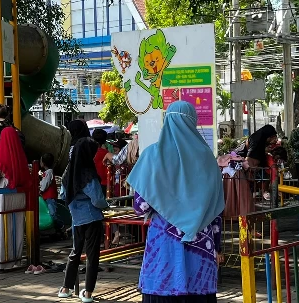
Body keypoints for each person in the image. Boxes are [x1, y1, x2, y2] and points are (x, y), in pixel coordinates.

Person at [127, 101, 224, 303]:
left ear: (167, 121)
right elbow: (217, 213)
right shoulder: (208, 159)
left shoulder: (153, 155)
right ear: (193, 123)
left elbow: (140, 206)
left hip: (164, 249)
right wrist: (217, 247)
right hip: (201, 250)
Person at [58, 137, 109, 303]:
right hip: (92, 218)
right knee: (92, 257)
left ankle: (65, 288)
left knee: (75, 252)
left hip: (76, 218)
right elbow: (98, 199)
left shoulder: (68, 172)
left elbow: (63, 195)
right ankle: (87, 293)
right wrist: (106, 206)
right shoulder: (88, 173)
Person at [0, 127, 31, 270]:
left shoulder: (0, 158)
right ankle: (15, 259)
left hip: (3, 195)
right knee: (16, 227)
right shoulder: (21, 157)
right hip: (18, 196)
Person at [246, 125, 279, 200]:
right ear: (268, 136)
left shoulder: (262, 140)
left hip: (257, 166)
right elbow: (248, 160)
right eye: (273, 137)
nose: (274, 140)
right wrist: (252, 169)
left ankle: (263, 192)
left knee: (266, 175)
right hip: (251, 168)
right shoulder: (256, 141)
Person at [40, 153, 59, 224]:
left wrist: (41, 190)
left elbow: (46, 183)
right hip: (48, 197)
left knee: (52, 214)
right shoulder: (47, 172)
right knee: (51, 213)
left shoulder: (49, 172)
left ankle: (60, 226)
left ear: (44, 163)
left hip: (50, 197)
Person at [91, 129, 110, 195]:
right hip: (104, 184)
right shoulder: (106, 153)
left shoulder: (88, 152)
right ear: (104, 141)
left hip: (91, 183)